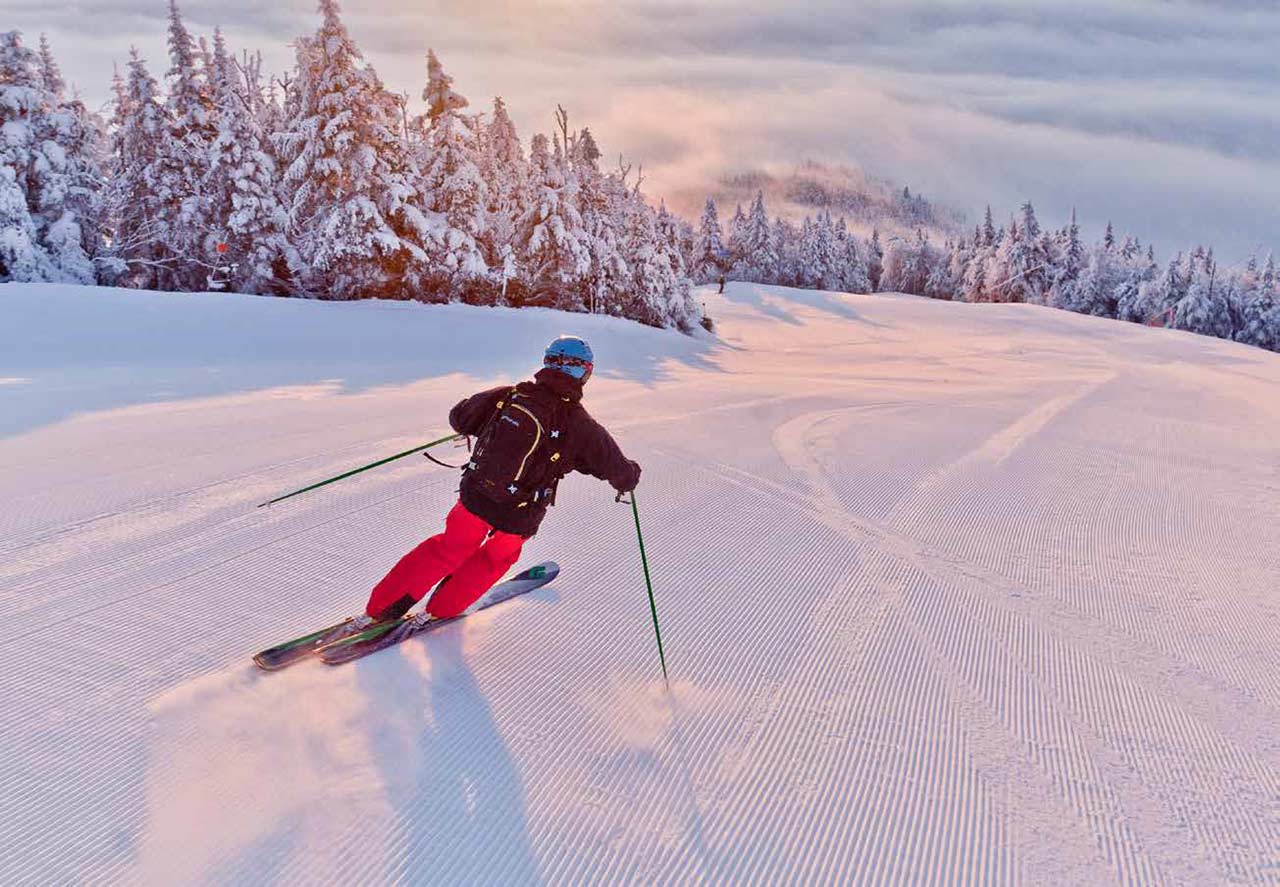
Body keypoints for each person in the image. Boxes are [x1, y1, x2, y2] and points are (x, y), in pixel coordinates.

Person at [360, 335, 641, 624]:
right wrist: (630, 476)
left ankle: (381, 608)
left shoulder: (510, 395)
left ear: (547, 362)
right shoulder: (581, 424)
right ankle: (442, 610)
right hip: (520, 515)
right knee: (495, 558)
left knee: (449, 548)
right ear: (584, 372)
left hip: (476, 496)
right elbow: (619, 471)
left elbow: (459, 417)